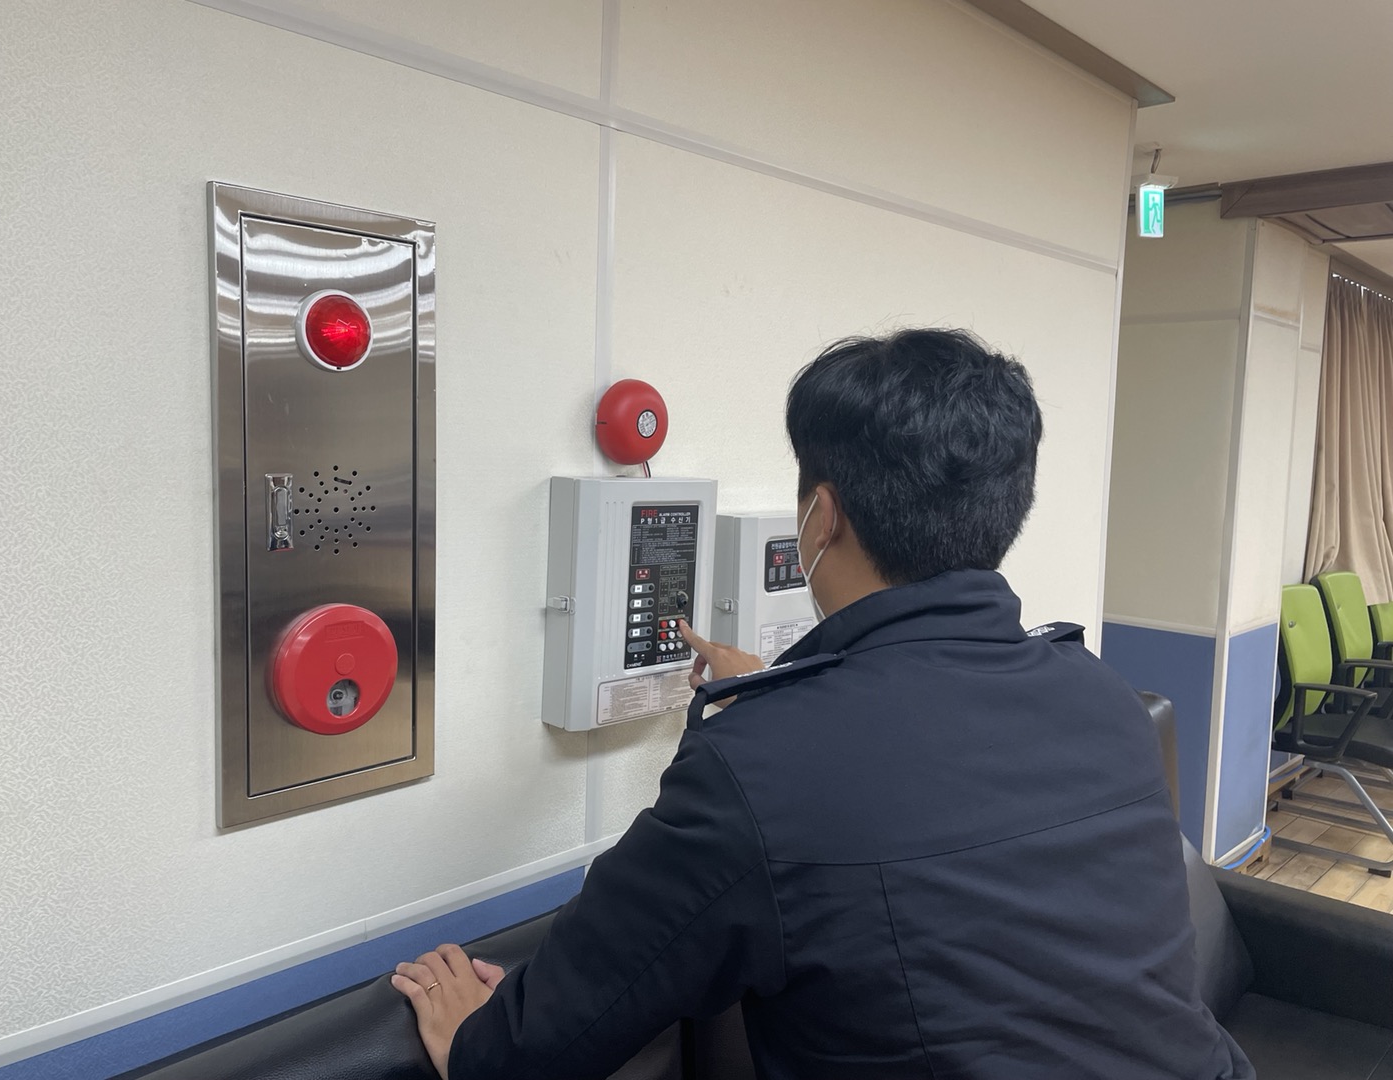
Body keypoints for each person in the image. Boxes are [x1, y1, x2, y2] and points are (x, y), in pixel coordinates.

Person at [391, 328, 1253, 1079]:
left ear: (820, 517)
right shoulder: (1098, 694)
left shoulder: (761, 768)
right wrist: (772, 703)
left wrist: (474, 1038)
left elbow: (534, 1050)